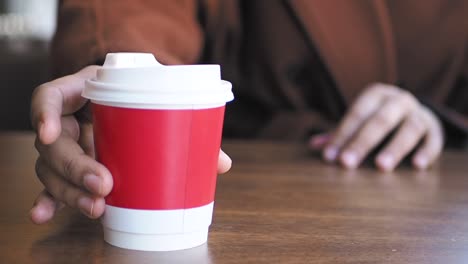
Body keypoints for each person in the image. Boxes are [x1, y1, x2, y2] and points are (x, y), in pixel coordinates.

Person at [30, 1, 468, 224]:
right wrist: (124, 76)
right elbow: (137, 11)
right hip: (239, 186)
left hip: (424, 204)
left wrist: (436, 118)